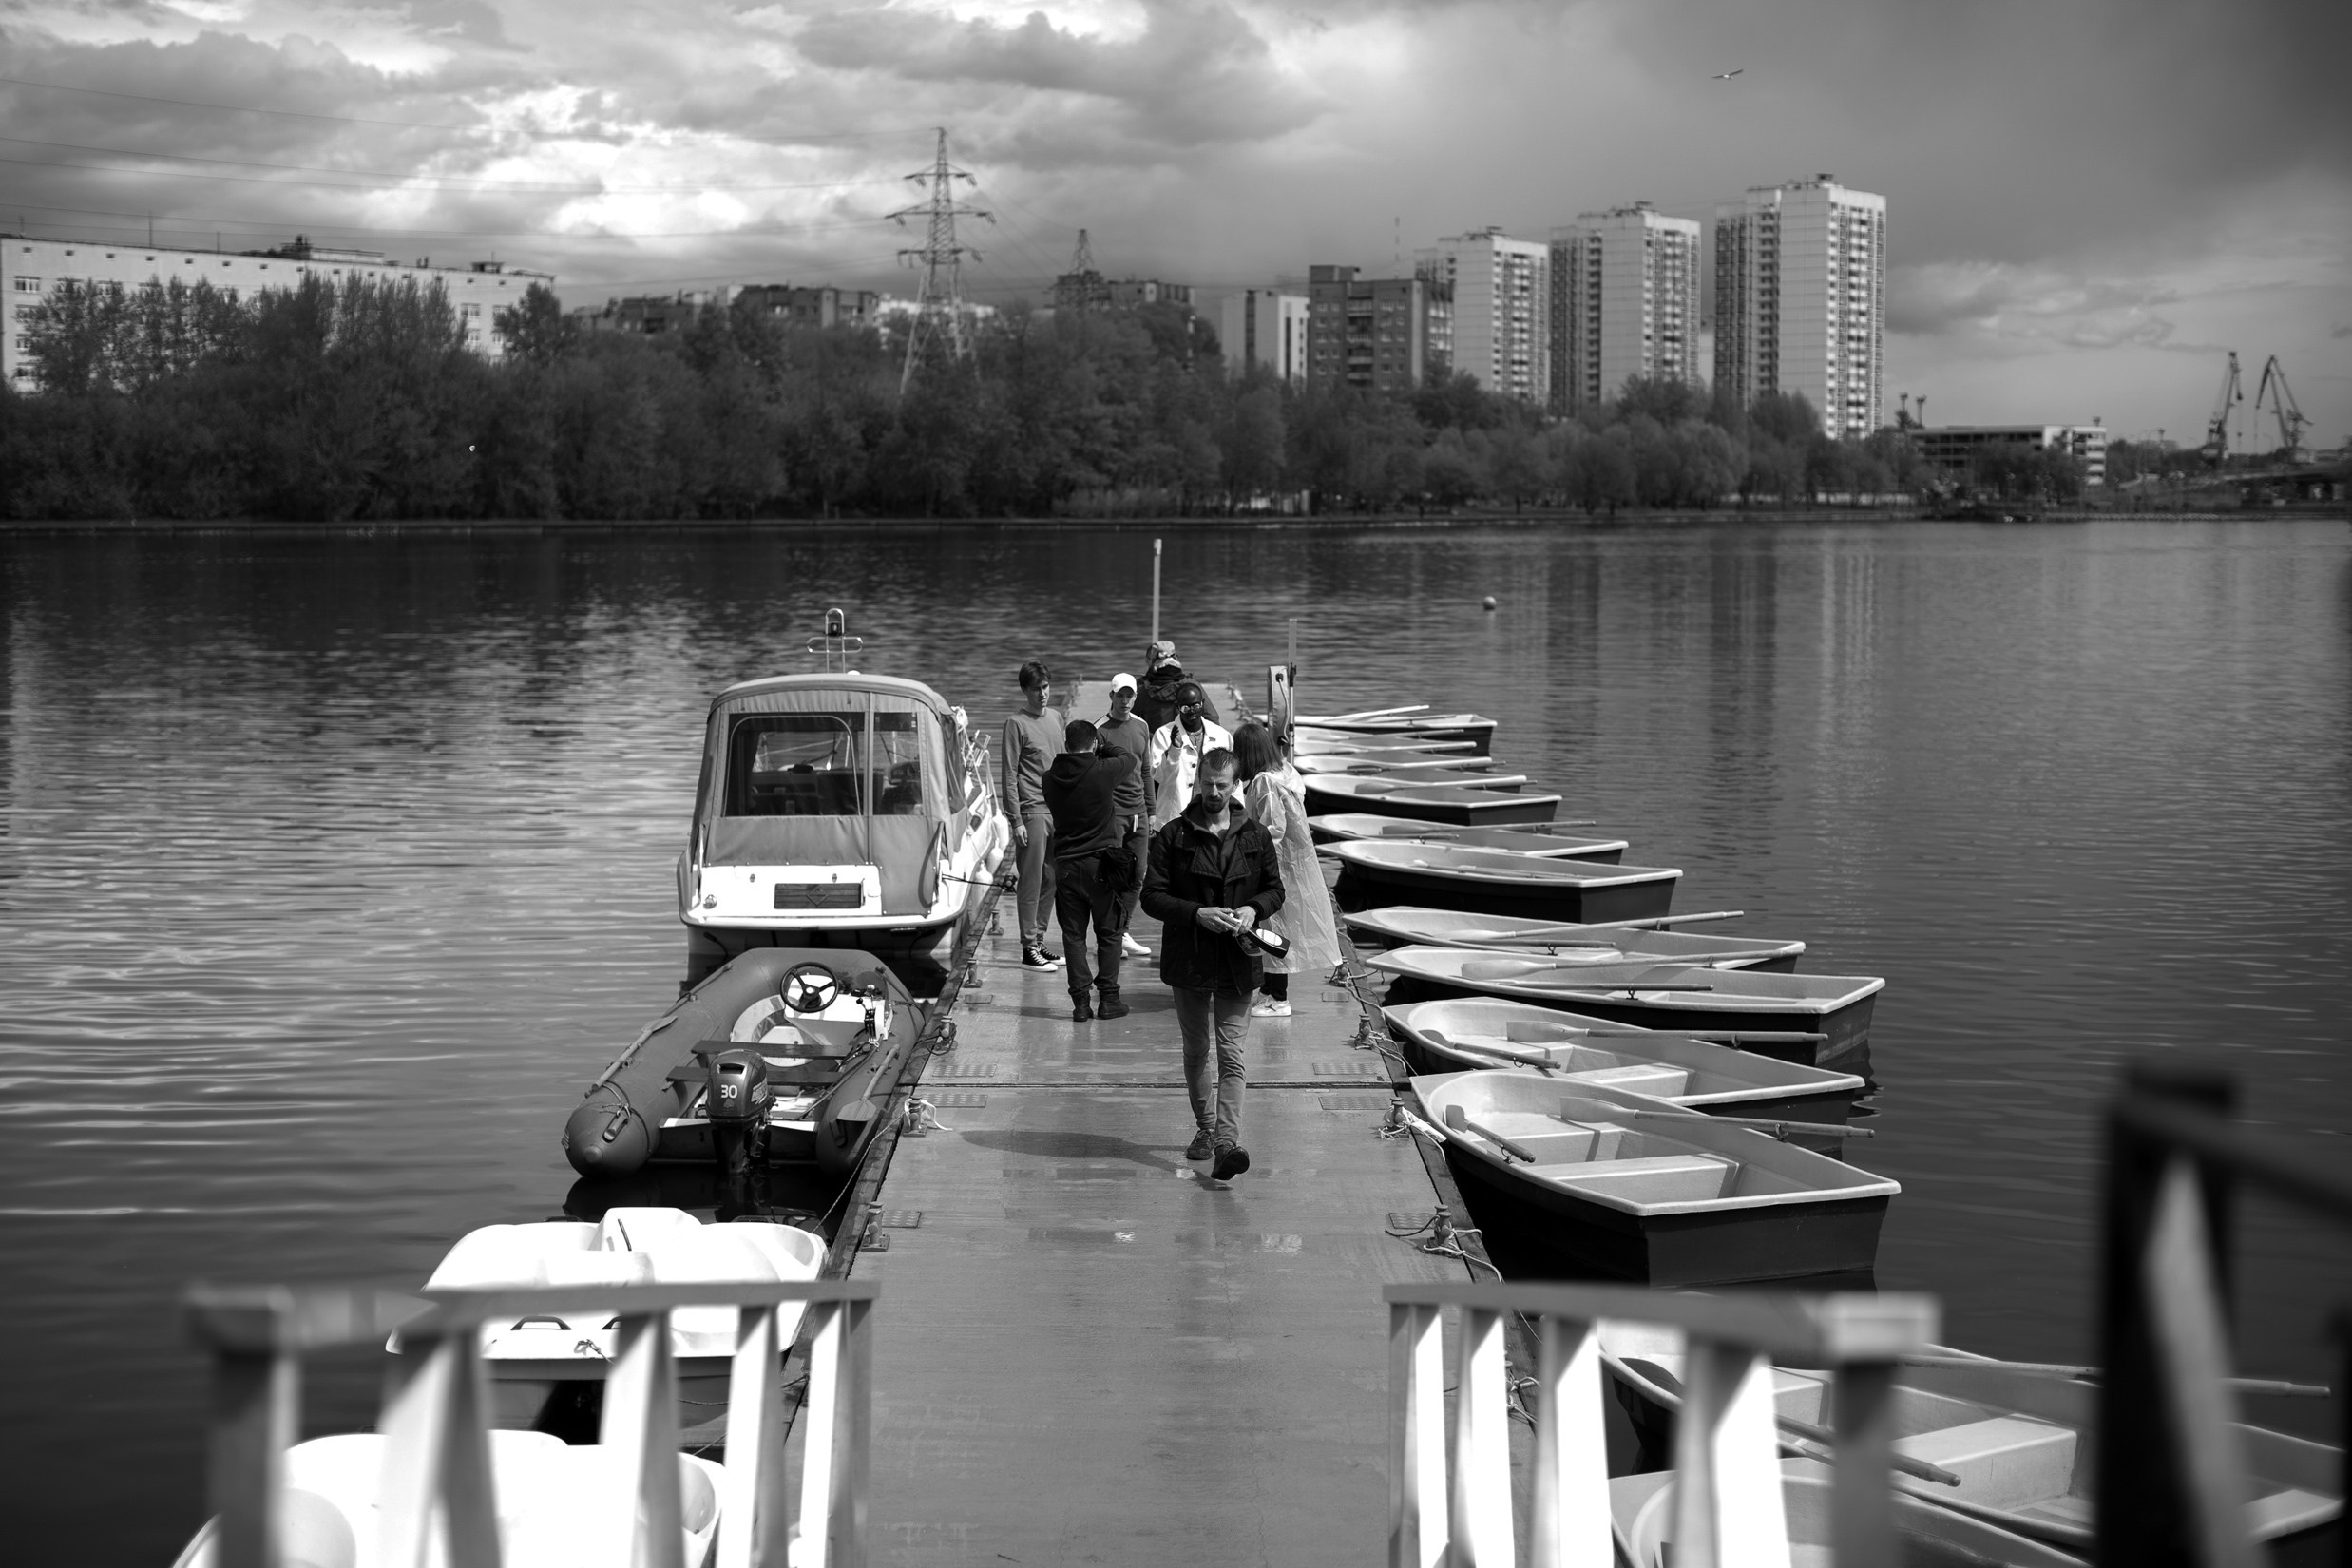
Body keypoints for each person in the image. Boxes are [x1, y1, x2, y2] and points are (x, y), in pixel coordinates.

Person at [1140, 747, 1285, 1182]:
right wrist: (1196, 913)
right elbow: (1151, 897)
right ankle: (1206, 1128)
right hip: (1190, 955)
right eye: (1207, 784)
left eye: (1222, 785)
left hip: (1238, 958)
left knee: (1232, 1053)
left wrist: (1253, 909)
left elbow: (1275, 890)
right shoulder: (1173, 835)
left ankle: (1226, 1143)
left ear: (1235, 785)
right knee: (1196, 1049)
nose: (1214, 792)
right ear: (1197, 782)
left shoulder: (1256, 835)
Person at [1233, 720, 1344, 1018]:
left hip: (1275, 863)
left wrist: (1247, 854)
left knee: (1273, 926)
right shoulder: (1285, 771)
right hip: (1295, 862)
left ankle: (1278, 998)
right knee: (1277, 924)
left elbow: (1273, 827)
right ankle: (1269, 990)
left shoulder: (1263, 782)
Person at [1042, 718, 1138, 1022]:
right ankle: (1109, 1000)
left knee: (1073, 937)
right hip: (1101, 867)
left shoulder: (1048, 778)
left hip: (1067, 868)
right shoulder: (1102, 771)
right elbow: (1129, 758)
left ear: (1066, 744)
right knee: (1109, 933)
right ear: (1093, 744)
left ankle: (1081, 1005)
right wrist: (1104, 746)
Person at [1001, 660, 1063, 969]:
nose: (1042, 694)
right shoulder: (1016, 724)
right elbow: (1009, 774)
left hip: (1057, 810)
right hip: (1031, 811)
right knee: (1031, 880)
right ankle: (1028, 948)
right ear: (1025, 690)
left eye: (1046, 687)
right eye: (1036, 689)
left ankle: (1039, 940)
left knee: (1052, 878)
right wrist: (1015, 820)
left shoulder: (1057, 717)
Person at [1094, 674, 1156, 958]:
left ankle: (1122, 931)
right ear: (1112, 696)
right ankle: (1107, 935)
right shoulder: (1100, 730)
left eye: (1130, 696)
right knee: (1111, 877)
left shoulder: (1142, 726)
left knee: (1138, 874)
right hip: (1113, 814)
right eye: (1120, 695)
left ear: (1135, 697)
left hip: (1139, 813)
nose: (1125, 701)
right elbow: (1094, 777)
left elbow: (1146, 771)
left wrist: (1151, 811)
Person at [1147, 680, 1234, 828]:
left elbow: (1232, 779)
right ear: (1177, 707)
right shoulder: (1163, 735)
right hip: (1174, 818)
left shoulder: (1221, 735)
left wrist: (1237, 813)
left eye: (1196, 705)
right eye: (1185, 707)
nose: (1192, 711)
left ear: (1203, 704)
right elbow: (1159, 776)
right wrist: (1174, 751)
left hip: (1213, 817)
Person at [1136, 641, 1222, 732]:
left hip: (1156, 739)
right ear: (1175, 658)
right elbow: (1212, 718)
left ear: (1150, 662)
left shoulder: (1144, 691)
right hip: (1188, 739)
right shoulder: (1192, 686)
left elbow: (1129, 720)